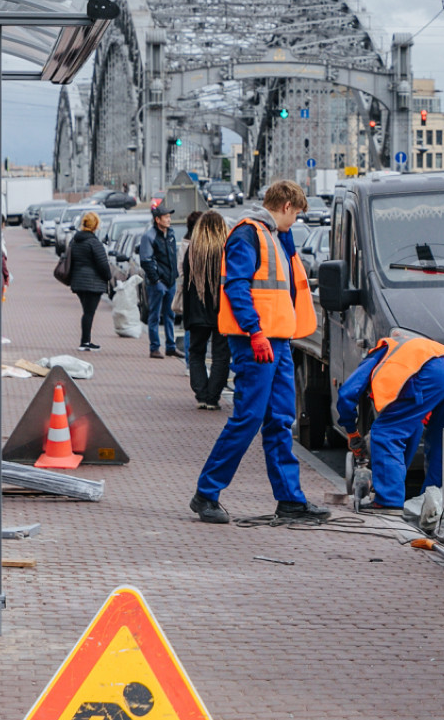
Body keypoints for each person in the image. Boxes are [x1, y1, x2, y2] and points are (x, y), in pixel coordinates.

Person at [190, 180, 330, 525]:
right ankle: (206, 494)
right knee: (249, 417)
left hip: (276, 341)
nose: (294, 222)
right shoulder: (248, 234)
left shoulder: (273, 236)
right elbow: (236, 286)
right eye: (295, 216)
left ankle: (290, 500)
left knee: (280, 420)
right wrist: (254, 332)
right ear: (285, 207)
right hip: (258, 341)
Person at [336, 331, 444, 511]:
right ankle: (433, 502)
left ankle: (388, 501)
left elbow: (346, 394)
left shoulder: (380, 354)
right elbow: (412, 429)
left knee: (385, 433)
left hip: (430, 374)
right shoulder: (414, 347)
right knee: (441, 439)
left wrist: (352, 432)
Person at [181, 210, 232, 410]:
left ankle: (201, 394)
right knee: (221, 354)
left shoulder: (193, 251)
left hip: (196, 310)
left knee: (196, 352)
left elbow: (185, 281)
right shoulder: (226, 250)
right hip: (221, 310)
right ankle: (213, 397)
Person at [66, 211, 113, 351]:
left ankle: (85, 340)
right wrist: (108, 277)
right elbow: (103, 264)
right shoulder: (94, 242)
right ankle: (85, 342)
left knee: (87, 311)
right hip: (93, 283)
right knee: (89, 313)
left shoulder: (74, 241)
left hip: (79, 282)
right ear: (95, 225)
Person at [140, 203, 181, 359]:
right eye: (166, 217)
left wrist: (174, 276)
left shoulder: (170, 234)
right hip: (157, 283)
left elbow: (172, 257)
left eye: (169, 217)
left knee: (170, 315)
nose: (169, 220)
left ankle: (170, 346)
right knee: (155, 316)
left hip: (170, 281)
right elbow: (146, 260)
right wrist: (156, 281)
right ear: (158, 219)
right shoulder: (149, 236)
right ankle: (155, 347)